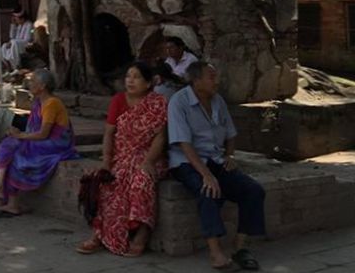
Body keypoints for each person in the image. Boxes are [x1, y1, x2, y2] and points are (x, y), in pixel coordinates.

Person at [168, 61, 266, 271]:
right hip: (187, 162)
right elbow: (184, 144)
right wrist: (206, 175)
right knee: (209, 191)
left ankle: (240, 248)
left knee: (253, 191)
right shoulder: (179, 102)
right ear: (196, 81)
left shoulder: (218, 101)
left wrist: (230, 155)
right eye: (211, 77)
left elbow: (230, 134)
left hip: (216, 159)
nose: (216, 81)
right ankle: (215, 252)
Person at [77, 62, 168, 257]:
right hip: (123, 157)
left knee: (141, 182)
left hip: (149, 157)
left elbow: (160, 136)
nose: (130, 81)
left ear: (148, 83)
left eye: (136, 77)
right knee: (108, 185)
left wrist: (148, 161)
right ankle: (99, 234)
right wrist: (106, 162)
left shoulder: (157, 103)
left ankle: (141, 235)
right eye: (128, 76)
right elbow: (109, 134)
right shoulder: (118, 100)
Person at [0, 69, 79, 216]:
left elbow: (43, 134)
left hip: (56, 143)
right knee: (8, 144)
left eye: (33, 81)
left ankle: (12, 203)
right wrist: (15, 133)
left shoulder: (51, 103)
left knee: (19, 155)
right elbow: (32, 128)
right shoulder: (38, 102)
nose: (29, 83)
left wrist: (20, 135)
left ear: (42, 86)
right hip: (42, 139)